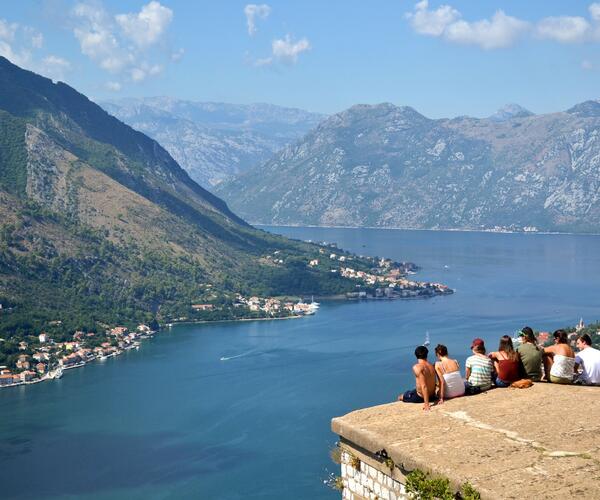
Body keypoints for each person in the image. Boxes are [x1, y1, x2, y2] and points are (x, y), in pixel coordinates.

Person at [398, 345, 437, 411]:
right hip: (433, 396)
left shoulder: (417, 367)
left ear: (416, 355)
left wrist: (426, 404)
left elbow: (424, 386)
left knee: (400, 397)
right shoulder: (432, 365)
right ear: (426, 354)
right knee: (412, 391)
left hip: (420, 397)